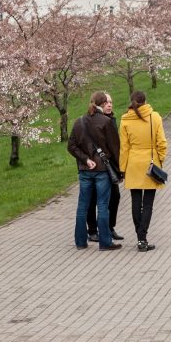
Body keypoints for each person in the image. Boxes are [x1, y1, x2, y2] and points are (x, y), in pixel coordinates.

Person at [67, 91, 122, 250]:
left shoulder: (79, 122)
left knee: (82, 206)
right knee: (103, 205)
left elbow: (71, 146)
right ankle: (105, 242)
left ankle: (80, 241)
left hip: (85, 170)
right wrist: (120, 170)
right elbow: (115, 149)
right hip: (102, 170)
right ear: (103, 104)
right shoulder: (106, 122)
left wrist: (85, 159)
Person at [119, 91, 167, 252]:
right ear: (145, 101)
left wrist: (122, 168)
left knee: (135, 201)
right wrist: (161, 159)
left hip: (133, 162)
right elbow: (161, 142)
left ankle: (140, 237)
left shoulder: (125, 120)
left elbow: (124, 148)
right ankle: (142, 237)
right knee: (148, 204)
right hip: (150, 162)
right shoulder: (155, 117)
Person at [85, 93, 123, 241]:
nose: (109, 105)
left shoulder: (111, 120)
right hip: (96, 166)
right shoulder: (89, 120)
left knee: (115, 197)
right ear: (99, 104)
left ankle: (109, 227)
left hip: (109, 166)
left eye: (111, 102)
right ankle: (93, 230)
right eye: (106, 102)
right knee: (93, 199)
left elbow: (115, 146)